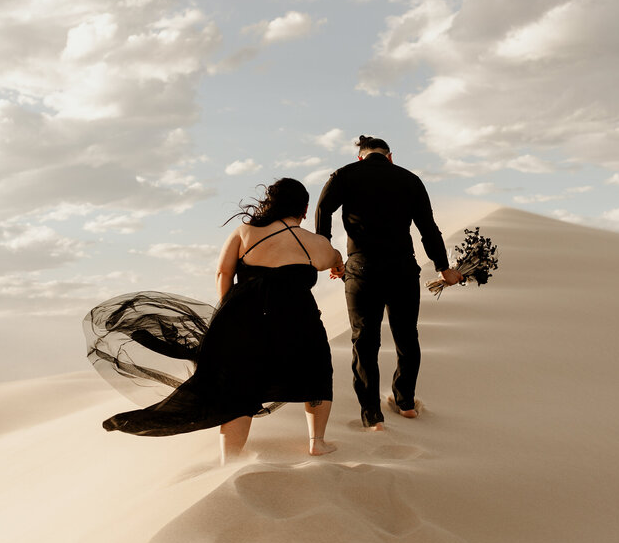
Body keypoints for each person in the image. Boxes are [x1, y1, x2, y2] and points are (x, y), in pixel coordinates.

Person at [99, 178, 344, 463]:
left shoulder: (245, 233)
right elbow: (334, 258)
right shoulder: (315, 243)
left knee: (239, 387)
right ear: (304, 209)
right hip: (299, 322)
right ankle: (317, 442)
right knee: (316, 373)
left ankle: (231, 458)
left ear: (271, 204)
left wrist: (228, 309)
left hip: (246, 320)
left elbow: (222, 273)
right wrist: (338, 266)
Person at [315, 135, 462, 431]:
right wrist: (443, 268)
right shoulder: (409, 179)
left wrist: (329, 253)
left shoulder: (344, 174)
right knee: (407, 336)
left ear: (361, 157)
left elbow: (323, 210)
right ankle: (406, 403)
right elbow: (427, 227)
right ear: (390, 156)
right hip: (402, 269)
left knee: (365, 340)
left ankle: (372, 416)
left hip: (361, 267)